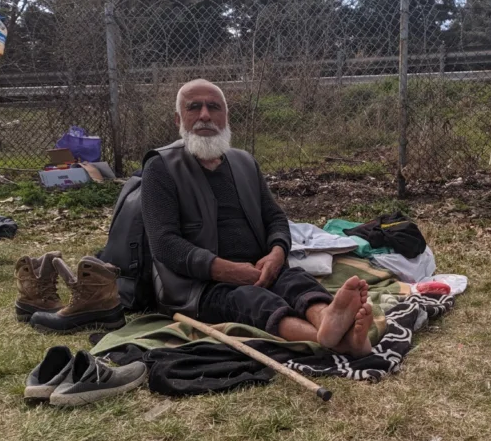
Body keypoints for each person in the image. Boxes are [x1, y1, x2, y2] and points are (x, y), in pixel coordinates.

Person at [141, 79, 373, 357]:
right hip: (199, 286)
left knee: (295, 280)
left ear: (225, 117)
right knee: (252, 300)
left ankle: (326, 317)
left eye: (213, 107)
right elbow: (164, 243)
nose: (205, 115)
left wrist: (276, 253)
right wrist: (223, 269)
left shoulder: (244, 162)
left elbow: (275, 216)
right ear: (179, 118)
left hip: (259, 270)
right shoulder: (161, 167)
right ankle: (337, 340)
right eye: (194, 107)